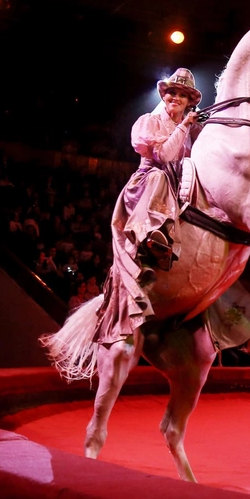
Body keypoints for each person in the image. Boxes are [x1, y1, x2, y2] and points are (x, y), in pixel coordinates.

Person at [95, 69, 202, 346]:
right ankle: (152, 234)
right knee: (158, 176)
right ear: (164, 97)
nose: (175, 97)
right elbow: (163, 156)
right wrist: (184, 127)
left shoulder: (193, 129)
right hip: (149, 185)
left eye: (182, 94)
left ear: (190, 101)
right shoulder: (150, 122)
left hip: (177, 190)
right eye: (172, 93)